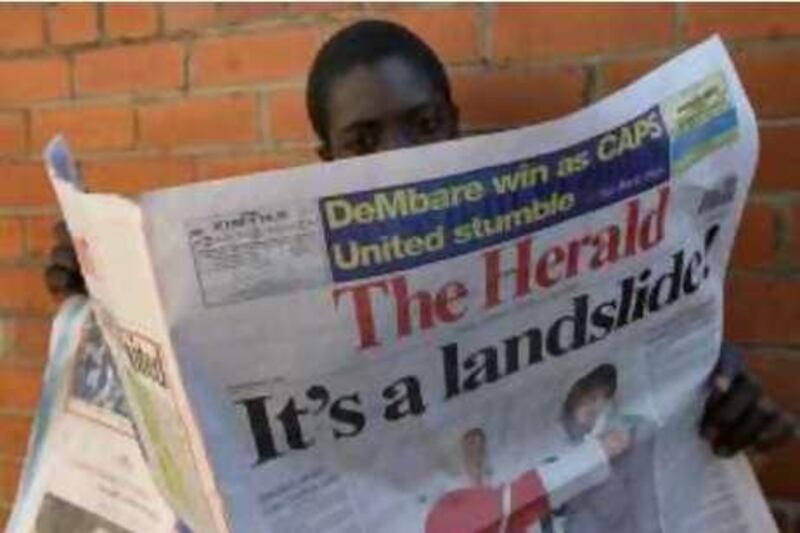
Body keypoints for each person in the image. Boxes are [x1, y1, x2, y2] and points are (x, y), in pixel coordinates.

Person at [45, 18, 793, 465]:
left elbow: (630, 343)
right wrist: (106, 290)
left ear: (455, 122)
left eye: (424, 124)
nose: (401, 157)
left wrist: (714, 388)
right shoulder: (284, 295)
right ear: (327, 161)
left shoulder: (549, 245)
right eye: (364, 140)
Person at [560, 364, 660, 533]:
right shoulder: (565, 437)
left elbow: (644, 498)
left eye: (597, 397)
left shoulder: (635, 432)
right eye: (585, 397)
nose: (591, 406)